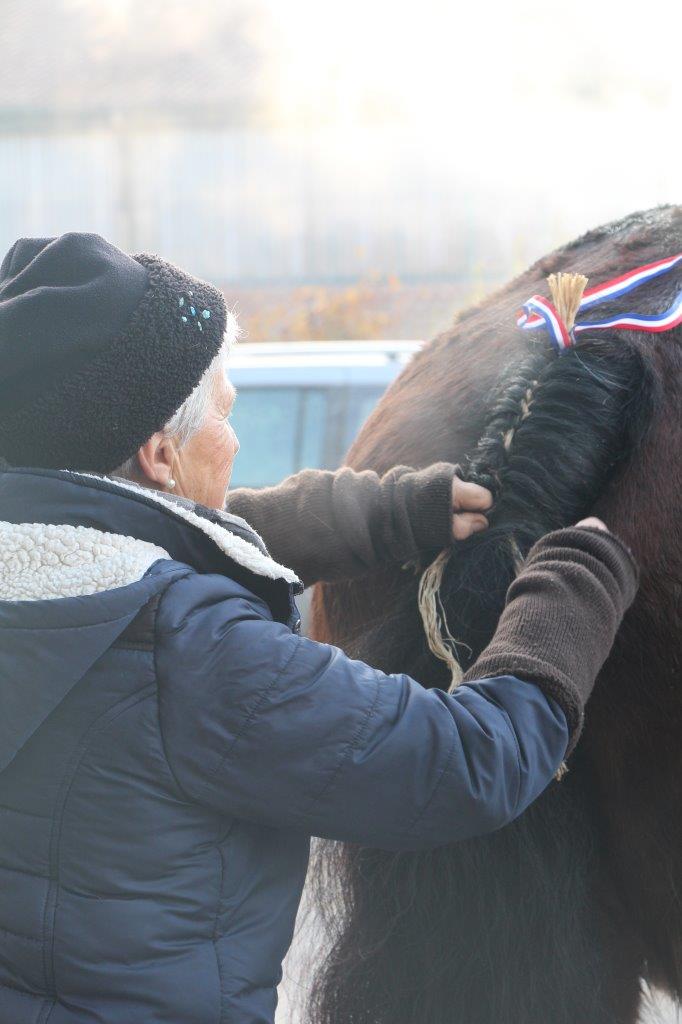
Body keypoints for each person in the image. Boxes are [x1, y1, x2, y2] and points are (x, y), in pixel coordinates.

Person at [0, 233, 637, 1024]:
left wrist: (381, 514)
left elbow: (140, 533)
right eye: (226, 413)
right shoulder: (192, 650)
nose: (233, 441)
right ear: (160, 454)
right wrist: (580, 579)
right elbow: (465, 763)